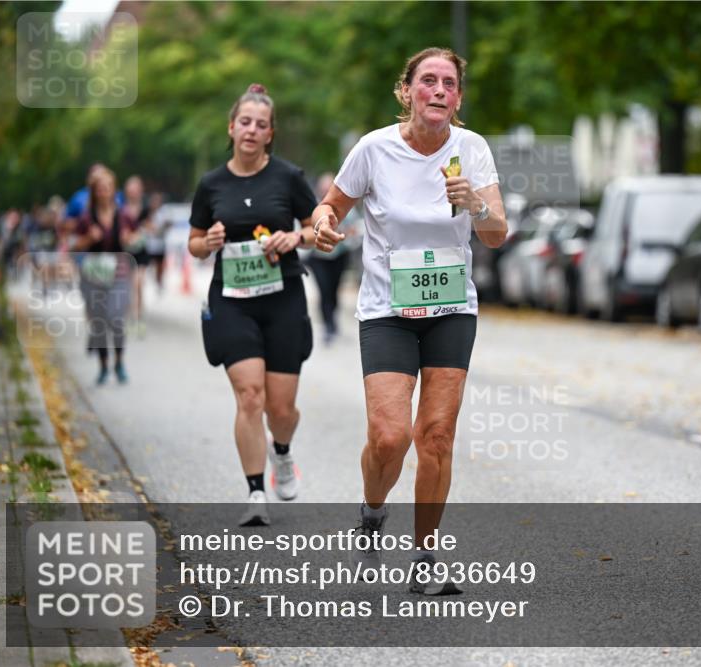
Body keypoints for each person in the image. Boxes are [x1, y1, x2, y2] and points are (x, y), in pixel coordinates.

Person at [312, 47, 507, 593]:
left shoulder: (473, 150)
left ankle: (425, 559)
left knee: (437, 436)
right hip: (388, 311)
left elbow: (496, 233)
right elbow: (329, 207)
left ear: (459, 98)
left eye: (449, 83)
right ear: (407, 91)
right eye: (428, 81)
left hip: (450, 310)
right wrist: (324, 224)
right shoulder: (374, 149)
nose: (439, 90)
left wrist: (476, 204)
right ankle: (372, 510)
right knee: (390, 437)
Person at [188, 84, 318, 526]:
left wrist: (296, 237)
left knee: (280, 409)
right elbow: (193, 243)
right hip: (232, 301)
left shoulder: (288, 177)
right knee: (250, 396)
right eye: (245, 122)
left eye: (261, 125)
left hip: (282, 298)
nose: (251, 129)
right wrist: (207, 241)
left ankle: (282, 452)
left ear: (270, 134)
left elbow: (319, 230)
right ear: (231, 127)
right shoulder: (211, 184)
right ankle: (256, 491)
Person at [73, 167, 138, 385]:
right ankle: (103, 366)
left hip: (119, 272)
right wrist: (89, 238)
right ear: (94, 192)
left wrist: (129, 238)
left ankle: (119, 361)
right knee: (100, 322)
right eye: (99, 189)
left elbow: (136, 238)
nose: (104, 192)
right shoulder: (86, 217)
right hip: (94, 274)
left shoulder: (124, 215)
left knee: (117, 319)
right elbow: (76, 245)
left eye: (107, 188)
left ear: (113, 190)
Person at [303, 172, 356, 345]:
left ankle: (333, 321)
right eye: (323, 187)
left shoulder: (347, 206)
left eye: (329, 187)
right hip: (318, 257)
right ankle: (328, 326)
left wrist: (344, 234)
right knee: (324, 290)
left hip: (339, 255)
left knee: (333, 291)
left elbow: (354, 228)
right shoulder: (312, 205)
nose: (326, 190)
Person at [122, 175, 151, 333]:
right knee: (128, 285)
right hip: (126, 252)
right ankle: (129, 314)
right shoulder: (121, 208)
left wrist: (143, 231)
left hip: (141, 251)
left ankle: (138, 316)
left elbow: (150, 226)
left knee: (138, 283)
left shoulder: (145, 208)